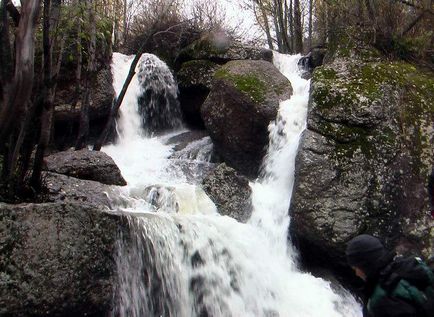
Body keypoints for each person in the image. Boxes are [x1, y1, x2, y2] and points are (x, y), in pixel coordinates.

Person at [346, 234, 434, 317]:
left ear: (365, 265)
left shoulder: (381, 301)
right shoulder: (411, 265)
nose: (357, 274)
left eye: (356, 268)